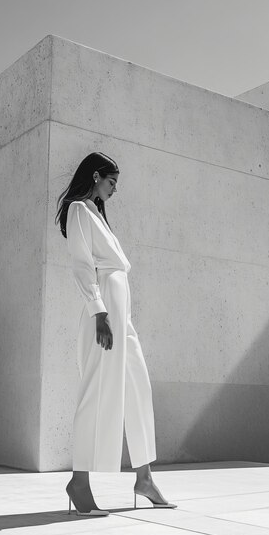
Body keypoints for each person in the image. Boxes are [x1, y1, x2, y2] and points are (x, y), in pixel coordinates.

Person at [55, 152, 177, 516]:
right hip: (106, 308)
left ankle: (144, 476)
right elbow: (81, 263)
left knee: (138, 387)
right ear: (95, 176)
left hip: (121, 312)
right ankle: (79, 481)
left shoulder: (96, 215)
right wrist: (99, 312)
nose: (114, 190)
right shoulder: (79, 209)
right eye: (112, 182)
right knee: (96, 390)